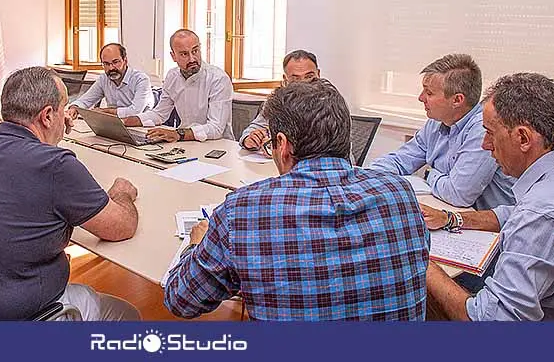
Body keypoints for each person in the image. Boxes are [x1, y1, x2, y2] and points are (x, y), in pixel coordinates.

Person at [164, 79, 430, 320]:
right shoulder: (400, 193)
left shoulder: (242, 211)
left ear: (282, 144)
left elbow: (181, 301)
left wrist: (195, 245)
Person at [0, 67, 141, 321]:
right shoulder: (56, 166)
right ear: (47, 116)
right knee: (127, 314)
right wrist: (121, 192)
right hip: (2, 324)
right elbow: (121, 226)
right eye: (64, 108)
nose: (68, 119)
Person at [423, 73, 554, 321]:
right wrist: (452, 219)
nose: (485, 145)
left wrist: (420, 258)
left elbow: (490, 321)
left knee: (423, 294)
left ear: (523, 138)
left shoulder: (537, 213)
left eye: (490, 133)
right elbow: (512, 215)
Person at [370, 53, 514, 209]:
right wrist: (368, 175)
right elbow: (400, 160)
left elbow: (458, 194)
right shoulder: (436, 121)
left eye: (429, 93)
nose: (420, 98)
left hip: (487, 225)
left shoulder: (482, 129)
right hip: (450, 213)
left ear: (457, 100)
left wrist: (429, 174)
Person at [123, 29, 233, 143]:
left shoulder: (218, 79)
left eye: (195, 51)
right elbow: (160, 114)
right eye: (184, 54)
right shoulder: (172, 76)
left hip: (217, 145)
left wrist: (178, 134)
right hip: (186, 141)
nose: (192, 59)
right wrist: (126, 121)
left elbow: (216, 128)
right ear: (173, 56)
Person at [240, 49, 321, 153]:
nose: (303, 84)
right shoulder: (277, 102)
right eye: (295, 79)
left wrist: (278, 148)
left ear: (318, 74)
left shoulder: (330, 103)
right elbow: (255, 128)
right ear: (285, 80)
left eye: (309, 77)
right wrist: (249, 139)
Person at [67, 43, 154, 118]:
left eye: (115, 62)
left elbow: (135, 111)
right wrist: (74, 107)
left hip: (141, 126)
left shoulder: (141, 80)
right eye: (106, 64)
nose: (111, 68)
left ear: (125, 61)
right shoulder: (103, 79)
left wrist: (107, 112)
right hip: (114, 124)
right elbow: (86, 100)